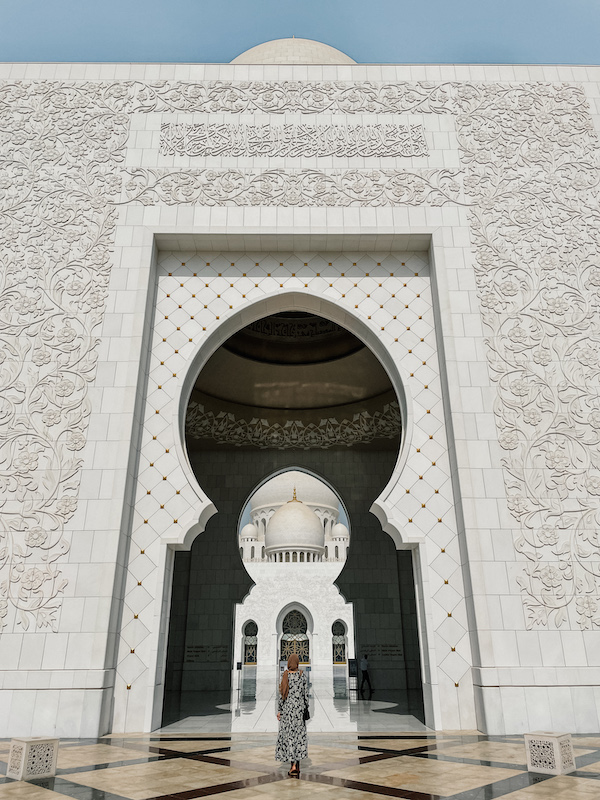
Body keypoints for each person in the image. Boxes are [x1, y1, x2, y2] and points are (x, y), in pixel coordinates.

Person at [275, 653, 308, 777]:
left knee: (289, 737)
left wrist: (280, 711)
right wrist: (305, 708)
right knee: (298, 737)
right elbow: (306, 695)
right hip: (299, 711)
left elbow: (282, 695)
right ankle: (297, 765)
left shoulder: (285, 676)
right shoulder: (302, 675)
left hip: (288, 711)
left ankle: (292, 765)